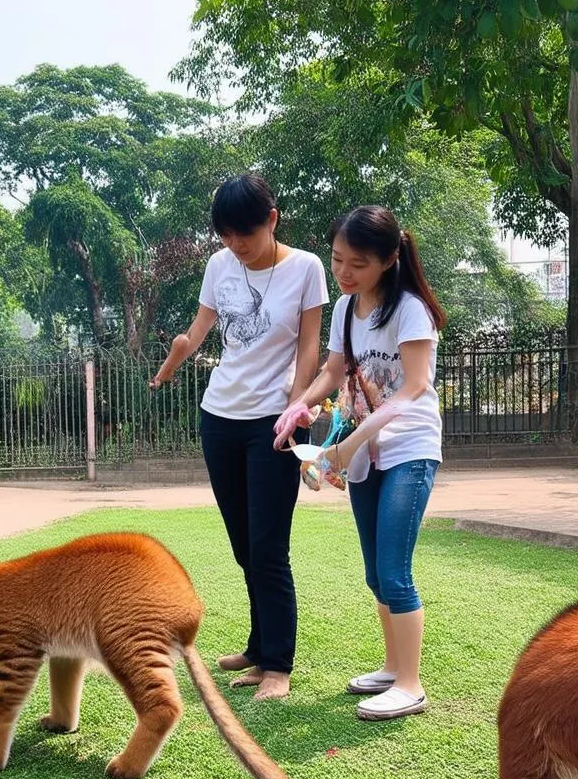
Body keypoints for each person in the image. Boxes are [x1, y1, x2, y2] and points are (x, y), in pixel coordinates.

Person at [151, 173, 328, 700]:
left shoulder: (307, 268)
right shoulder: (219, 265)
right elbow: (197, 330)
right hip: (219, 416)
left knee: (270, 546)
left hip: (272, 422)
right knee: (244, 546)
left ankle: (277, 664)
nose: (235, 246)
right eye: (226, 236)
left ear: (272, 219)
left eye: (244, 234)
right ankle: (256, 647)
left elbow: (309, 347)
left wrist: (296, 408)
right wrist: (168, 368)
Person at [273, 205, 446, 721]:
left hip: (409, 449)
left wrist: (346, 448)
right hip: (368, 451)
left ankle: (411, 686)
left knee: (395, 571)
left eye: (358, 264)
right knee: (375, 574)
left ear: (390, 259)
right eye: (337, 259)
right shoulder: (348, 308)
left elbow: (414, 389)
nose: (344, 273)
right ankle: (394, 668)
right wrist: (297, 405)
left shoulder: (410, 309)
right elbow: (333, 371)